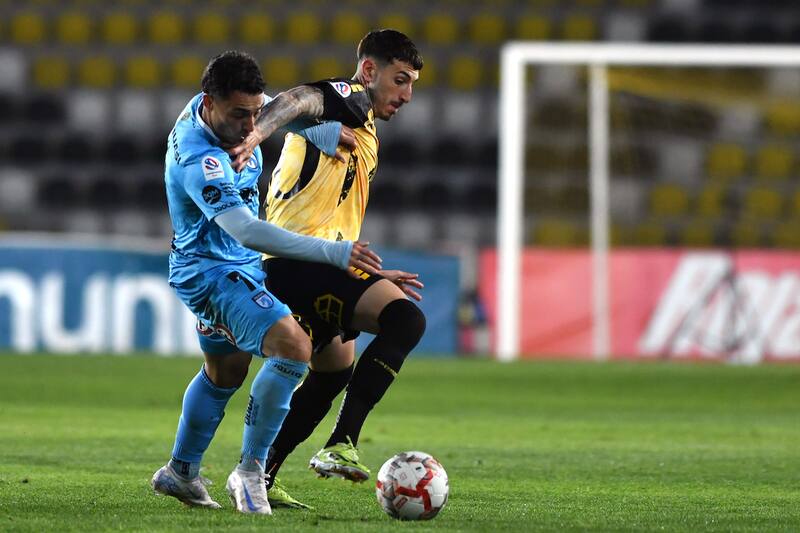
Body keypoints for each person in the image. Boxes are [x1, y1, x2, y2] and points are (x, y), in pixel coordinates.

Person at [150, 50, 381, 515]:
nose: (249, 125)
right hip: (212, 272)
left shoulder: (231, 113)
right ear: (208, 101)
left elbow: (278, 107)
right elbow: (247, 229)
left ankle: (179, 472)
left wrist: (317, 129)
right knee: (293, 347)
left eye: (254, 112)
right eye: (240, 115)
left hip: (230, 263)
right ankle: (252, 472)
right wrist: (335, 252)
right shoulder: (201, 158)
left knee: (225, 374)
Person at [228, 30, 425, 508]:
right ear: (370, 70)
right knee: (406, 321)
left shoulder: (365, 129)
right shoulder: (349, 99)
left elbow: (332, 213)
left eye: (413, 84)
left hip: (322, 260)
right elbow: (295, 98)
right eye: (399, 79)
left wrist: (372, 277)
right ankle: (341, 443)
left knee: (332, 369)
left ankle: (259, 474)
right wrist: (256, 134)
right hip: (297, 261)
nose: (406, 94)